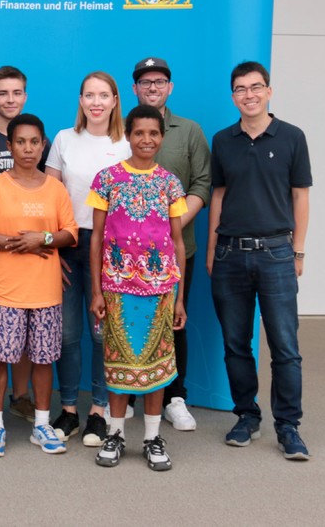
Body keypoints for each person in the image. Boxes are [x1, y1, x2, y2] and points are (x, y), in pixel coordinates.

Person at [206, 61, 312, 461]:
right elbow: (218, 194)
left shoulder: (291, 138)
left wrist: (298, 250)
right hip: (230, 253)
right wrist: (214, 250)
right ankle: (246, 416)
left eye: (255, 87)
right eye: (240, 89)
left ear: (269, 91)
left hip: (276, 253)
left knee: (285, 345)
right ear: (232, 96)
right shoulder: (223, 140)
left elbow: (300, 195)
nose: (248, 95)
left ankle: (288, 426)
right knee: (236, 344)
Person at [88, 105, 188, 471]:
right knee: (116, 364)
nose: (146, 140)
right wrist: (97, 291)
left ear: (162, 138)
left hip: (161, 291)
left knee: (157, 365)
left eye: (154, 134)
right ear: (128, 135)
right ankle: (115, 434)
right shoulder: (107, 179)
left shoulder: (170, 183)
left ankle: (151, 437)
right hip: (116, 288)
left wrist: (179, 296)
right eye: (139, 133)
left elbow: (177, 243)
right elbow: (96, 238)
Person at [0, 114, 77, 457]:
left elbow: (69, 233)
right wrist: (16, 243)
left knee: (43, 359)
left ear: (43, 145)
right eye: (20, 142)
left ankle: (42, 425)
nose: (28, 149)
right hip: (5, 290)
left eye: (34, 142)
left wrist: (43, 238)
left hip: (46, 291)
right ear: (9, 146)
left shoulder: (55, 188)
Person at [45, 71, 131, 446]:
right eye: (89, 95)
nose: (96, 102)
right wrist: (52, 249)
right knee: (66, 334)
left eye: (103, 95)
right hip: (67, 243)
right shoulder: (64, 139)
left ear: (114, 100)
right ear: (80, 101)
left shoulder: (128, 144)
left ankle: (98, 410)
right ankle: (68, 411)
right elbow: (50, 196)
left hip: (109, 248)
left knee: (100, 336)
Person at [130, 57, 210, 431]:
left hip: (178, 247)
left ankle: (175, 396)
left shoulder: (189, 130)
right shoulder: (122, 128)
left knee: (173, 320)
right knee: (129, 320)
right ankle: (130, 393)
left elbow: (201, 184)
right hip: (127, 255)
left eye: (159, 81)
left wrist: (169, 223)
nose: (152, 87)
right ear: (135, 89)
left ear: (170, 87)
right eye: (145, 82)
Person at [0, 66, 51, 423]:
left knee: (27, 332)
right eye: (3, 93)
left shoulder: (38, 138)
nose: (10, 99)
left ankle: (20, 396)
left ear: (25, 95)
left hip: (37, 254)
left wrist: (50, 245)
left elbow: (52, 198)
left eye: (17, 92)